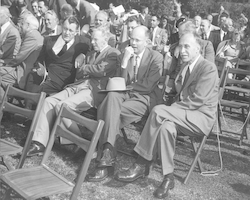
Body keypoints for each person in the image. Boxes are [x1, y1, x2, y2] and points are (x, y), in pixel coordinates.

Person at [115, 32, 219, 199]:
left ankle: (141, 163)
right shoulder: (186, 67)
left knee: (158, 111)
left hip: (200, 117)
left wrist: (169, 109)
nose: (182, 50)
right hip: (184, 115)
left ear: (198, 49)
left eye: (187, 46)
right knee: (166, 127)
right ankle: (168, 178)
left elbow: (196, 101)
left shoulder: (208, 68)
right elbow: (176, 92)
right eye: (180, 46)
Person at [26, 26, 120, 157]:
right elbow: (81, 71)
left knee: (62, 107)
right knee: (48, 102)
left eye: (95, 40)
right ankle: (39, 143)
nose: (92, 42)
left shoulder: (113, 53)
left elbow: (101, 70)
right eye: (92, 39)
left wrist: (86, 68)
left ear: (105, 39)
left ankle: (82, 144)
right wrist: (88, 68)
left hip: (93, 91)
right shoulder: (91, 53)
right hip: (78, 86)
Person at [86, 26, 163, 182]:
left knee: (108, 108)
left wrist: (127, 87)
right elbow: (118, 83)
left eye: (137, 40)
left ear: (147, 42)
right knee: (112, 97)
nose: (133, 43)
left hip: (144, 98)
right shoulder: (125, 55)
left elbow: (147, 86)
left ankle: (106, 159)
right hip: (125, 95)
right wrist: (124, 63)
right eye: (131, 39)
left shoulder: (156, 57)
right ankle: (108, 154)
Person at [27, 16, 90, 95]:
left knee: (38, 91)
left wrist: (83, 55)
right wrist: (40, 68)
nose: (67, 33)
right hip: (43, 75)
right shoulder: (49, 40)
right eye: (65, 29)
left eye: (71, 30)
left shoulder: (83, 43)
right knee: (30, 78)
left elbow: (94, 48)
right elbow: (39, 59)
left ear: (76, 32)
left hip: (61, 81)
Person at [0, 14, 44, 103]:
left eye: (22, 24)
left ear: (27, 25)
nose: (20, 27)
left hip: (22, 73)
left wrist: (5, 65)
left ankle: (4, 107)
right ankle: (4, 106)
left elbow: (19, 57)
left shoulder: (33, 36)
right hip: (21, 70)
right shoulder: (35, 35)